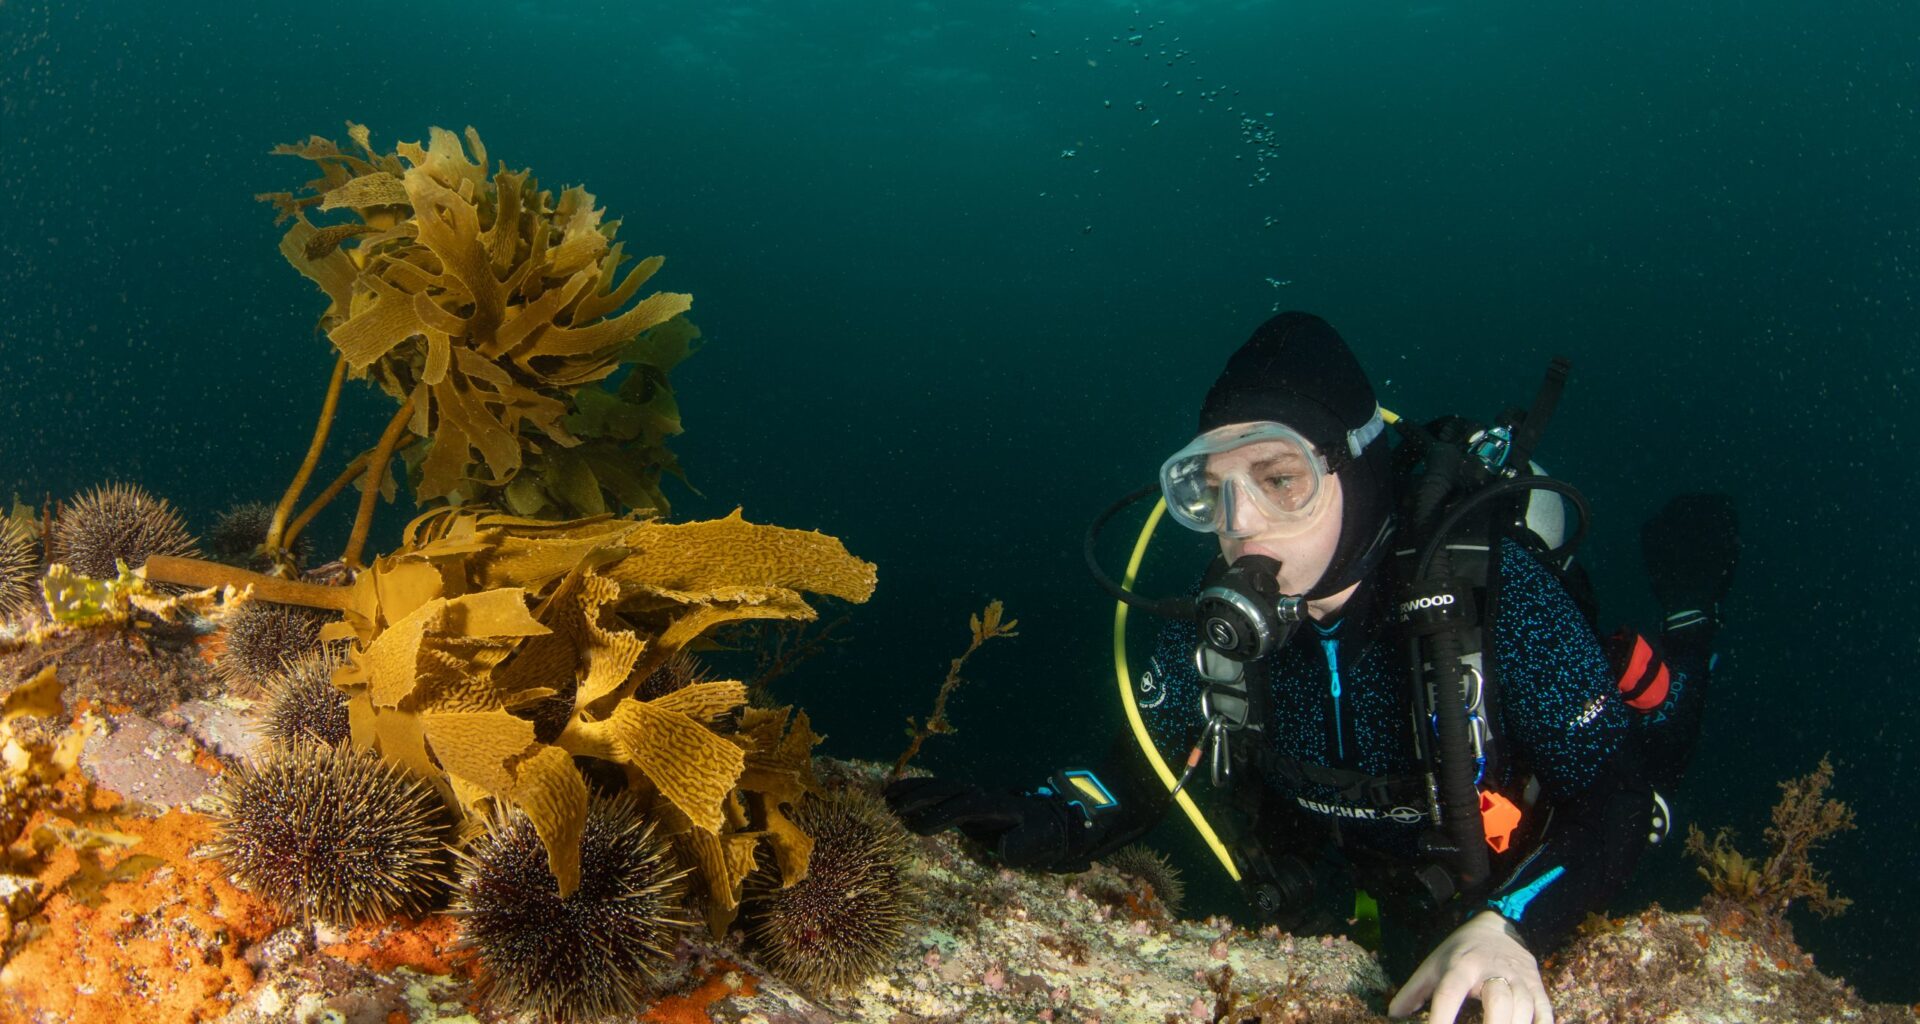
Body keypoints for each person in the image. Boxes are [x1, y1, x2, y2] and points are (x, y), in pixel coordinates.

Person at [885, 312, 1739, 1024]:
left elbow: (1614, 795)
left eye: (1278, 478)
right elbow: (1145, 765)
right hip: (1379, 875)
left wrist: (1509, 925)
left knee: (1663, 747)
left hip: (1505, 852)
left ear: (1355, 470)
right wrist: (1053, 812)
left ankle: (1692, 615)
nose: (1240, 522)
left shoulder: (1491, 590)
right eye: (1209, 491)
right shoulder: (1228, 623)